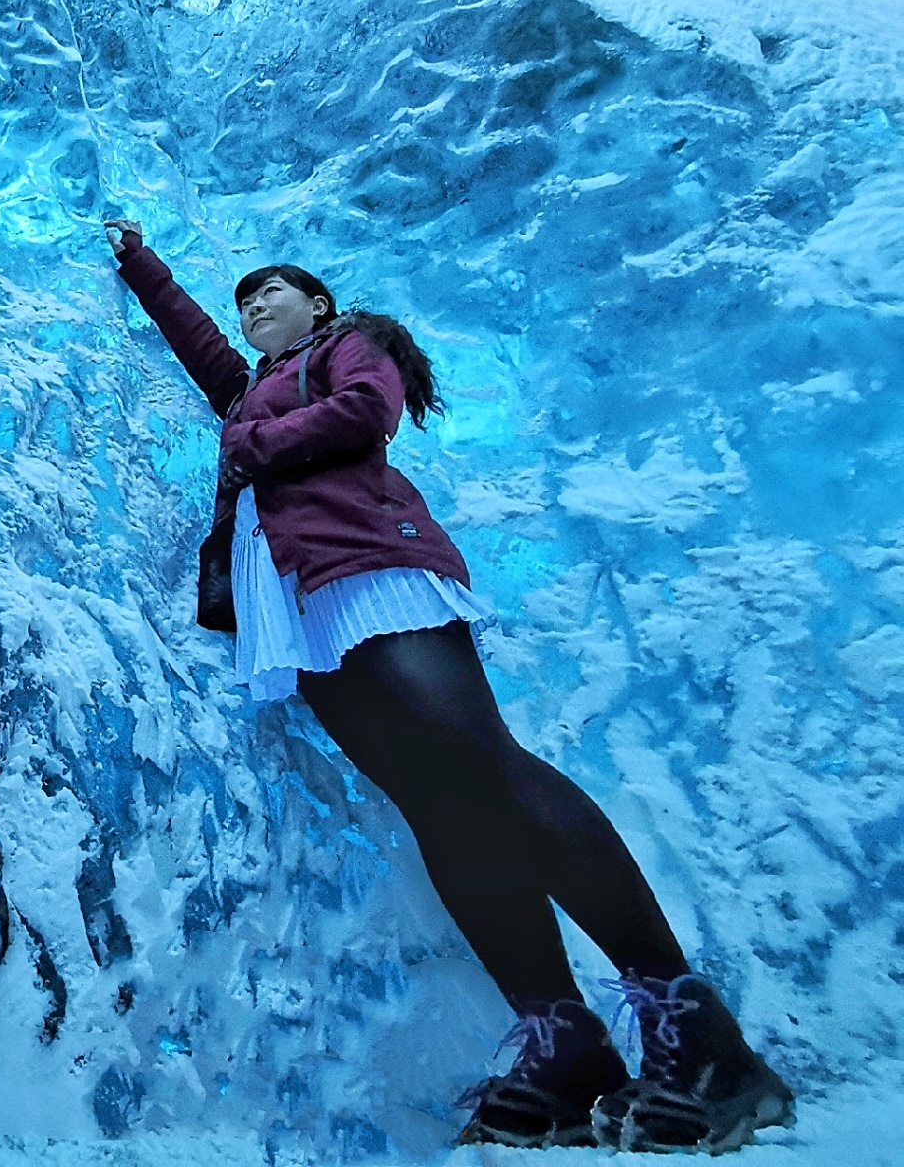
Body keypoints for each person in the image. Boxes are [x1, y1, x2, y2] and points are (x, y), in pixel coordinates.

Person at [105, 219, 794, 1153]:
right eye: (245, 298)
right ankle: (564, 1043)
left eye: (273, 290)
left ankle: (698, 1033)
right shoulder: (249, 393)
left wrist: (257, 451)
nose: (254, 303)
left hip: (371, 572)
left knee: (488, 768)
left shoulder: (355, 342)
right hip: (300, 611)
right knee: (442, 807)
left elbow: (363, 414)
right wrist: (141, 264)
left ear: (318, 305)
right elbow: (198, 342)